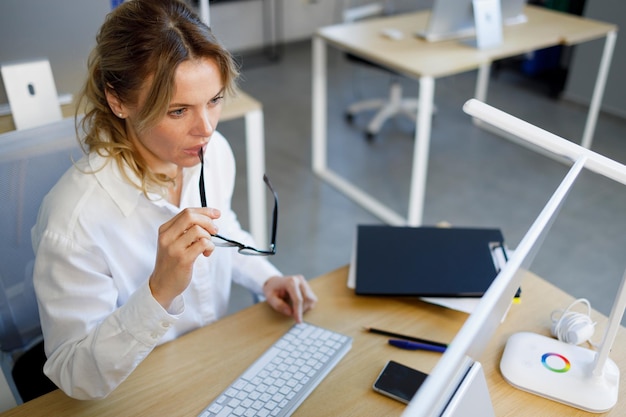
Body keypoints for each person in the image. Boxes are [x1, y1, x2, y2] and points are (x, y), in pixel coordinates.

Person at [31, 0, 317, 400]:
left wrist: (266, 278)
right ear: (119, 101)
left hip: (207, 363)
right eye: (179, 110)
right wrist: (159, 290)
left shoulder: (212, 153)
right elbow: (76, 375)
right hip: (134, 390)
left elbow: (221, 230)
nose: (206, 129)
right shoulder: (74, 221)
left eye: (214, 100)